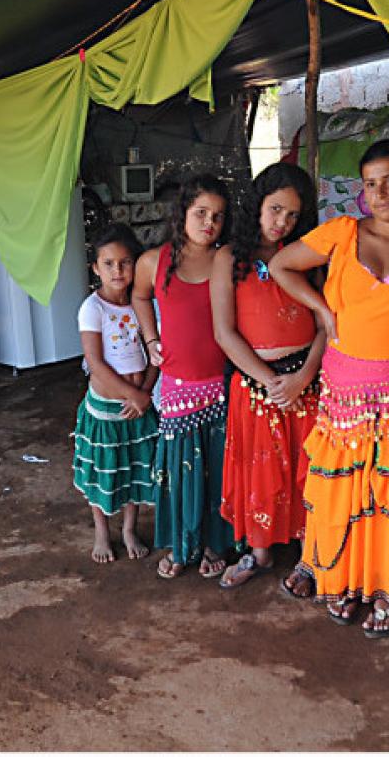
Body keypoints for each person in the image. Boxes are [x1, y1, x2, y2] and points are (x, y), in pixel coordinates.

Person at [269, 140, 389, 634]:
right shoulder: (342, 234)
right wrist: (323, 310)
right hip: (345, 392)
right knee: (343, 487)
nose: (380, 192)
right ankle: (342, 577)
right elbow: (282, 265)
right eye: (370, 183)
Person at [212, 163, 325, 588]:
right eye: (276, 209)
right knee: (261, 472)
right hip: (255, 385)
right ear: (257, 204)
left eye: (293, 215)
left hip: (305, 383)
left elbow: (324, 327)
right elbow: (225, 333)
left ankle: (309, 558)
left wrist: (302, 377)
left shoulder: (308, 257)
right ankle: (259, 553)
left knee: (309, 469)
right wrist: (270, 382)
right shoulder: (229, 258)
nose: (283, 222)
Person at [132, 173, 233, 580]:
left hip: (223, 382)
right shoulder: (153, 261)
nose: (209, 223)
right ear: (183, 214)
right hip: (176, 385)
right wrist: (150, 337)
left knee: (218, 467)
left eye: (218, 216)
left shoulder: (228, 258)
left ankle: (215, 542)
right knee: (179, 469)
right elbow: (139, 296)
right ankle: (181, 543)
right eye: (201, 213)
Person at [72, 223, 159, 563]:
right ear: (96, 268)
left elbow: (156, 352)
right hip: (108, 409)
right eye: (108, 264)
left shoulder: (141, 304)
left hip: (138, 404)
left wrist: (146, 392)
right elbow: (95, 363)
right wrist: (132, 395)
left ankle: (128, 528)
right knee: (103, 470)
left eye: (125, 262)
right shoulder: (93, 309)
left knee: (135, 467)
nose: (118, 270)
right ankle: (102, 531)